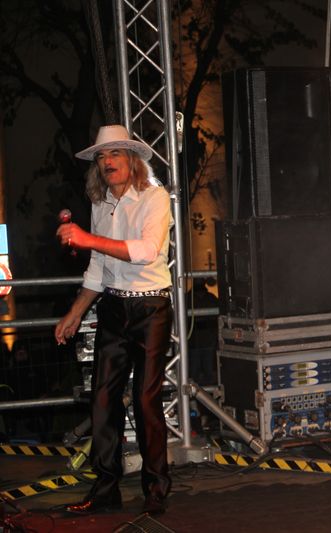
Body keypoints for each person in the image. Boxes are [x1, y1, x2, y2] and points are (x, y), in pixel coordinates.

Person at [55, 125, 173, 515]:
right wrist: (74, 313)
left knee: (145, 399)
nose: (107, 162)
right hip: (113, 306)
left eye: (115, 154)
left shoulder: (154, 197)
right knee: (103, 399)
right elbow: (98, 268)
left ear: (132, 159)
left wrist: (88, 239)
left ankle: (156, 487)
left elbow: (146, 250)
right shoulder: (101, 202)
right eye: (102, 156)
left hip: (151, 308)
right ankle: (106, 488)